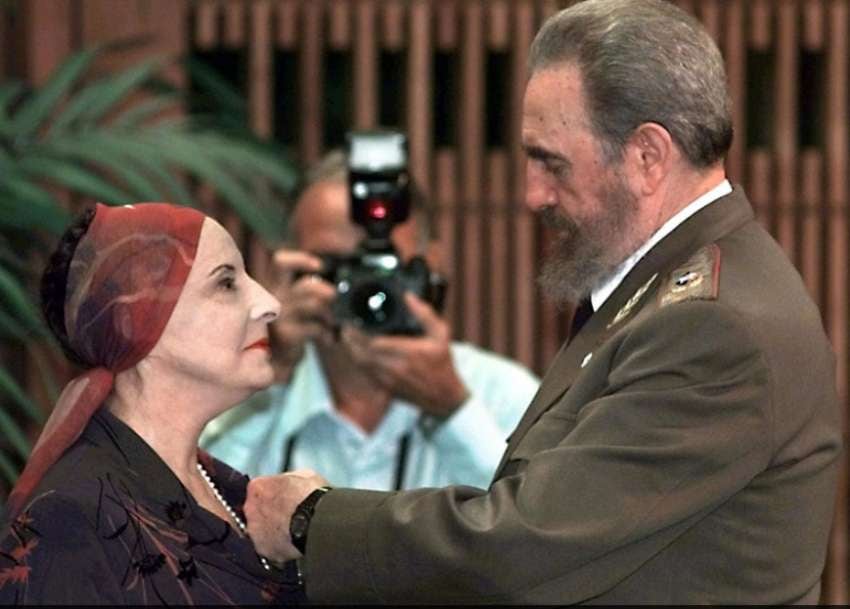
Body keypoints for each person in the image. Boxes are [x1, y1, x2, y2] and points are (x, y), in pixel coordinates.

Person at [241, 0, 843, 604]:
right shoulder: (661, 292)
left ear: (648, 157)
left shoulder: (711, 326)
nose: (532, 195)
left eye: (550, 163)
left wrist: (313, 521)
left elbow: (524, 545)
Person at [0, 203, 305, 604]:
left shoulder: (231, 490)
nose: (270, 303)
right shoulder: (71, 521)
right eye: (226, 283)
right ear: (133, 320)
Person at [201, 151, 540, 491]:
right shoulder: (244, 401)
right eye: (336, 265)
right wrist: (268, 375)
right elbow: (196, 514)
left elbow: (531, 529)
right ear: (290, 267)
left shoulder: (504, 396)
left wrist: (451, 409)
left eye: (383, 266)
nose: (365, 289)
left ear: (431, 265)